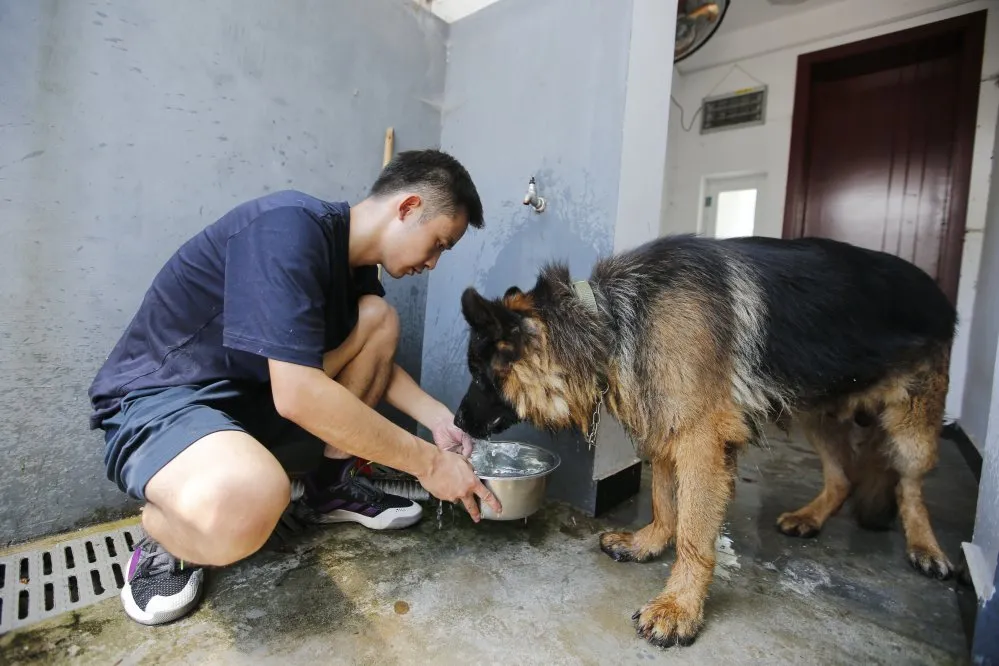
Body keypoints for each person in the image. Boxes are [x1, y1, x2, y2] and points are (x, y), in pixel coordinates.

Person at [87, 149, 502, 626]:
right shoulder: (288, 228)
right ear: (407, 208)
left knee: (379, 321)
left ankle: (329, 490)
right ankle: (163, 532)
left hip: (247, 404)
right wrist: (428, 463)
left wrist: (436, 418)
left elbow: (374, 360)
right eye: (438, 244)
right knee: (253, 499)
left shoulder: (358, 269)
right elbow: (299, 393)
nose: (432, 262)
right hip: (164, 400)